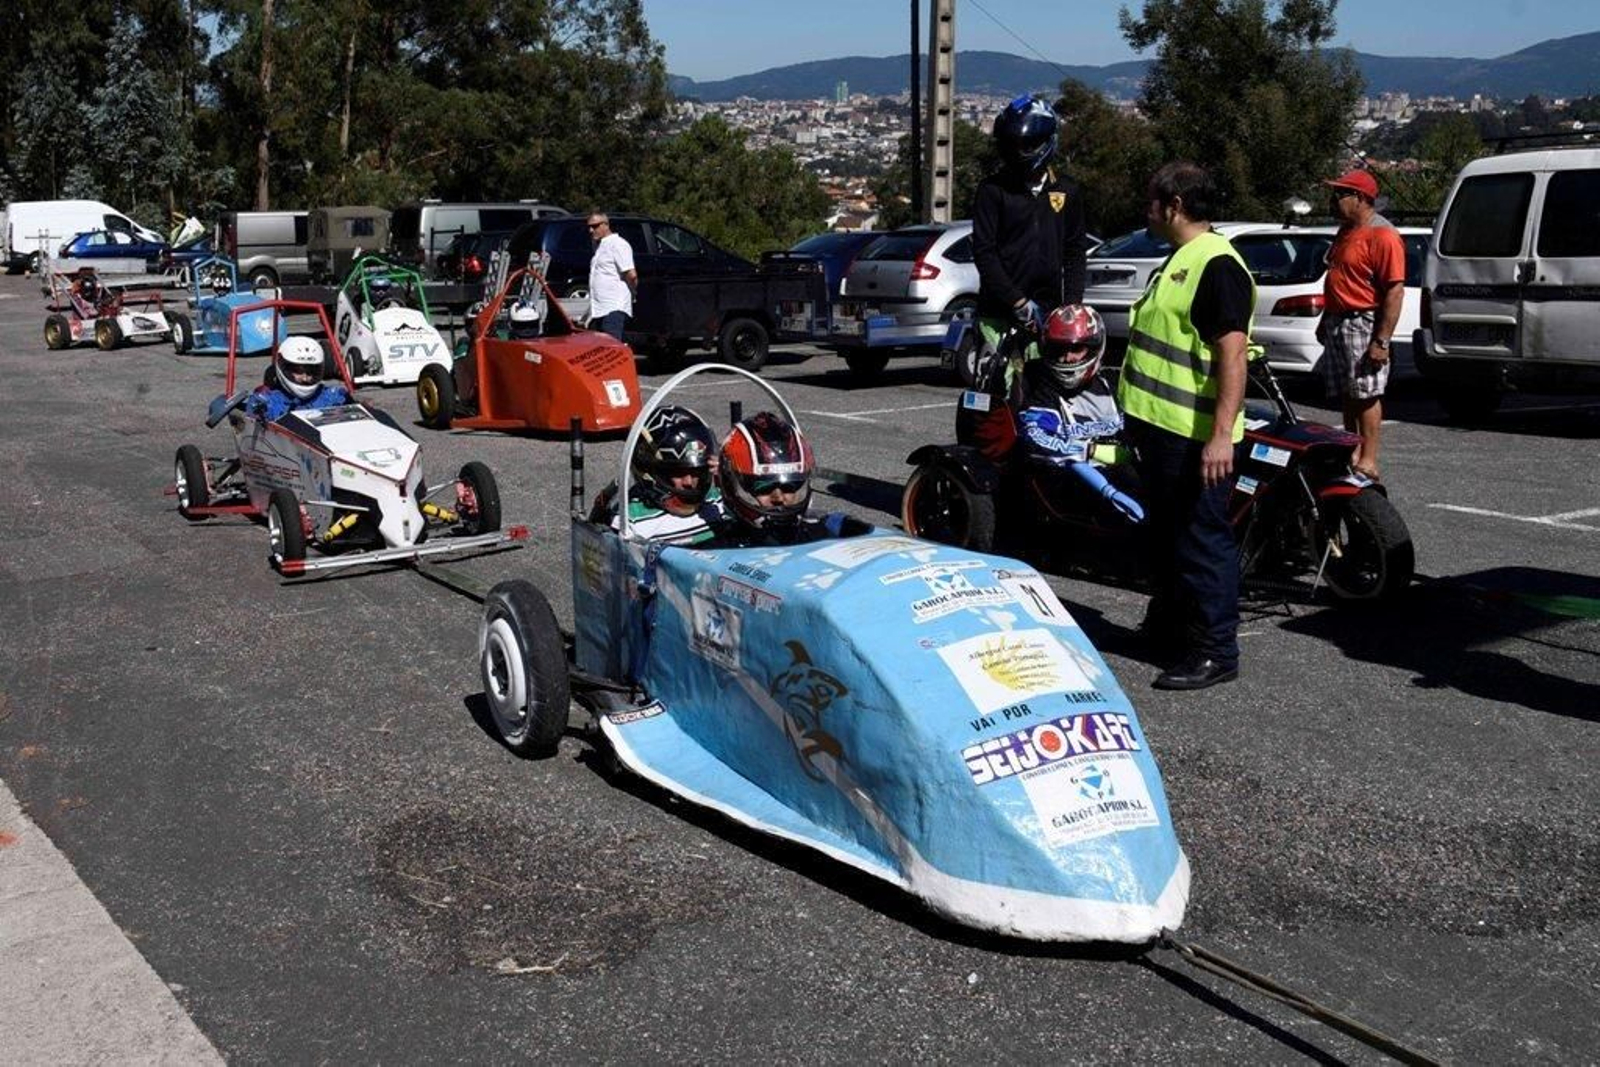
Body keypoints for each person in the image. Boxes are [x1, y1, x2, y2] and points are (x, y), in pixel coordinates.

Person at [1116, 162, 1254, 692]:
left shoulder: (1216, 265)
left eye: (1152, 201)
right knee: (1171, 538)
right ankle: (1173, 628)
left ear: (1174, 206)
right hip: (1160, 431)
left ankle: (1215, 651)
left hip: (1194, 436)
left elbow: (1233, 356)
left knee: (1203, 542)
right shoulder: (1182, 259)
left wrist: (1221, 435)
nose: (1146, 210)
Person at [971, 94, 1090, 384]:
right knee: (995, 394)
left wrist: (1071, 307)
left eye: (1025, 146)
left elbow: (1075, 252)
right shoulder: (992, 190)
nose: (1017, 153)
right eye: (1011, 146)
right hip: (998, 315)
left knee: (1044, 392)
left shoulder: (1067, 190)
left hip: (1049, 317)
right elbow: (984, 253)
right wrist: (1017, 301)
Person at [1012, 304, 1144, 525]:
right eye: (1059, 350)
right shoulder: (1043, 391)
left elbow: (1139, 428)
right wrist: (1091, 451)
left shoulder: (1112, 384)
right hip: (1070, 484)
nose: (1067, 358)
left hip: (1123, 476)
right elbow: (1037, 437)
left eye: (1076, 349)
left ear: (1094, 348)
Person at [1317, 168, 1406, 480]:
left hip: (1363, 321)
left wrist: (1381, 340)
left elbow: (1394, 290)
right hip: (1339, 321)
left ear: (1361, 198)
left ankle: (1368, 459)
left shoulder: (1382, 234)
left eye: (1341, 194)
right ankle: (1351, 451)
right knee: (1348, 391)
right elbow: (1339, 278)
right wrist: (1326, 319)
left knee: (1366, 393)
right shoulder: (1346, 231)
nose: (1335, 199)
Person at [710, 411, 869, 548]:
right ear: (730, 486)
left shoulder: (822, 531)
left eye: (789, 487)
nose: (778, 498)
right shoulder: (714, 546)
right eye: (764, 488)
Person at [591, 405, 726, 545]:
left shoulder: (721, 500)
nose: (689, 482)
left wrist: (733, 482)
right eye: (678, 473)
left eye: (697, 471)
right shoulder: (630, 522)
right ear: (650, 473)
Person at [246, 336, 349, 421]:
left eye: (311, 372)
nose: (305, 378)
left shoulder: (333, 396)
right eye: (299, 371)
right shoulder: (266, 402)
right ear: (284, 367)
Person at [586, 212, 637, 341]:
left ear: (606, 225)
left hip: (613, 306)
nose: (591, 230)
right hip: (599, 308)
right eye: (589, 227)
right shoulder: (599, 245)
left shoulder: (618, 244)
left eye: (595, 226)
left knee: (611, 346)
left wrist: (633, 292)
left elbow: (631, 275)